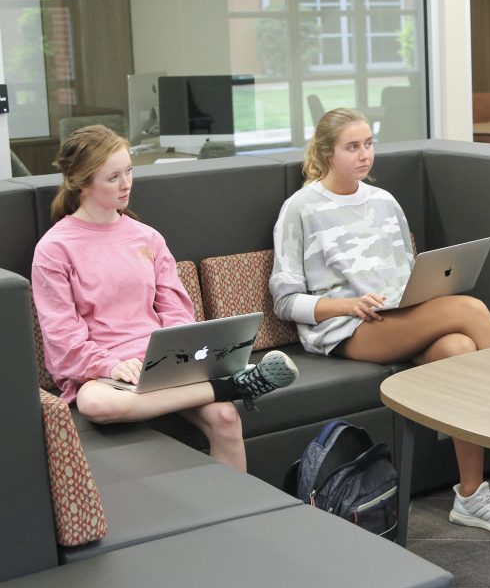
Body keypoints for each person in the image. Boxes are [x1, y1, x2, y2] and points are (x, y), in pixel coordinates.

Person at [270, 108, 490, 535]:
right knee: (470, 310)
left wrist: (422, 293)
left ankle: (471, 497)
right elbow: (285, 301)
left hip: (400, 318)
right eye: (352, 147)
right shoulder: (301, 209)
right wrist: (346, 307)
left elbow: (406, 273)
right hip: (348, 328)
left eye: (368, 144)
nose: (364, 155)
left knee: (456, 350)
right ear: (326, 152)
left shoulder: (384, 201)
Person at [32, 125, 298, 474]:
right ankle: (229, 385)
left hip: (163, 363)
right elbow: (63, 341)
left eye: (128, 171)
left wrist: (181, 354)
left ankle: (231, 514)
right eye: (113, 177)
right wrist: (109, 366)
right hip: (107, 372)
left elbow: (176, 310)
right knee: (95, 402)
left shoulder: (147, 237)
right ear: (82, 183)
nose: (126, 184)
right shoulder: (54, 249)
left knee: (225, 417)